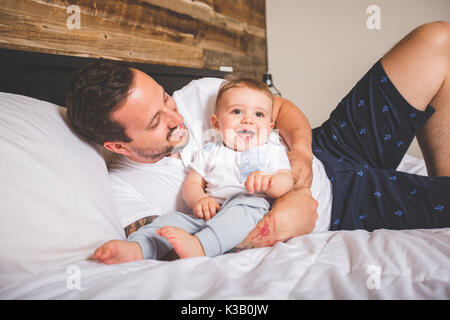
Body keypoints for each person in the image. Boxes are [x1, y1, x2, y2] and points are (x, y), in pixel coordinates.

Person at [66, 22, 450, 261]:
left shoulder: (199, 93)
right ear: (119, 145)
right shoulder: (125, 191)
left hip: (327, 147)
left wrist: (300, 152)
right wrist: (279, 224)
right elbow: (166, 244)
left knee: (437, 39)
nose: (176, 116)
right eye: (156, 122)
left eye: (164, 98)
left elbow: (280, 108)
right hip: (341, 203)